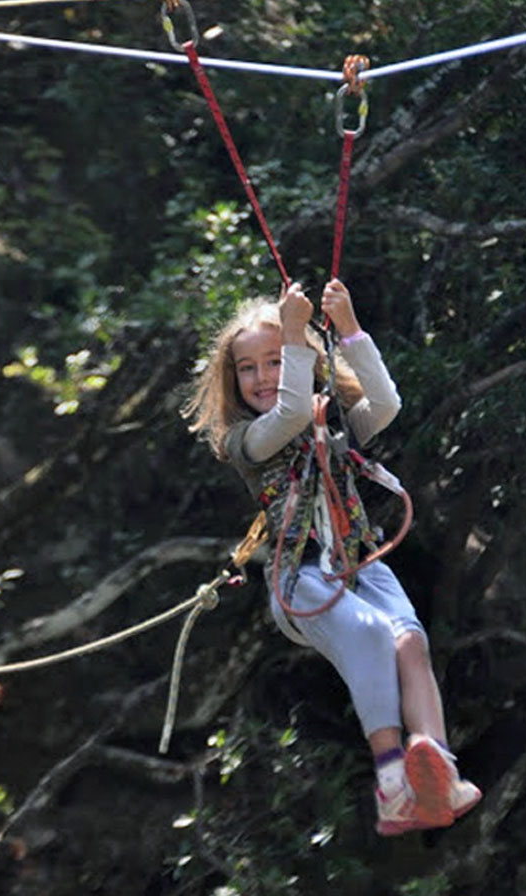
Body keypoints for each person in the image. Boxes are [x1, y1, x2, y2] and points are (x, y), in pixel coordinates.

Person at [183, 278, 481, 836]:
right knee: (370, 633)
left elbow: (385, 405)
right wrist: (295, 336)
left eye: (274, 362)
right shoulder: (247, 441)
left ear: (302, 362)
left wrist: (347, 328)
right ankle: (393, 781)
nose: (263, 377)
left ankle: (437, 761)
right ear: (233, 382)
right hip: (301, 580)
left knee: (409, 640)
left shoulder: (334, 421)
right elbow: (290, 415)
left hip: (360, 567)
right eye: (248, 368)